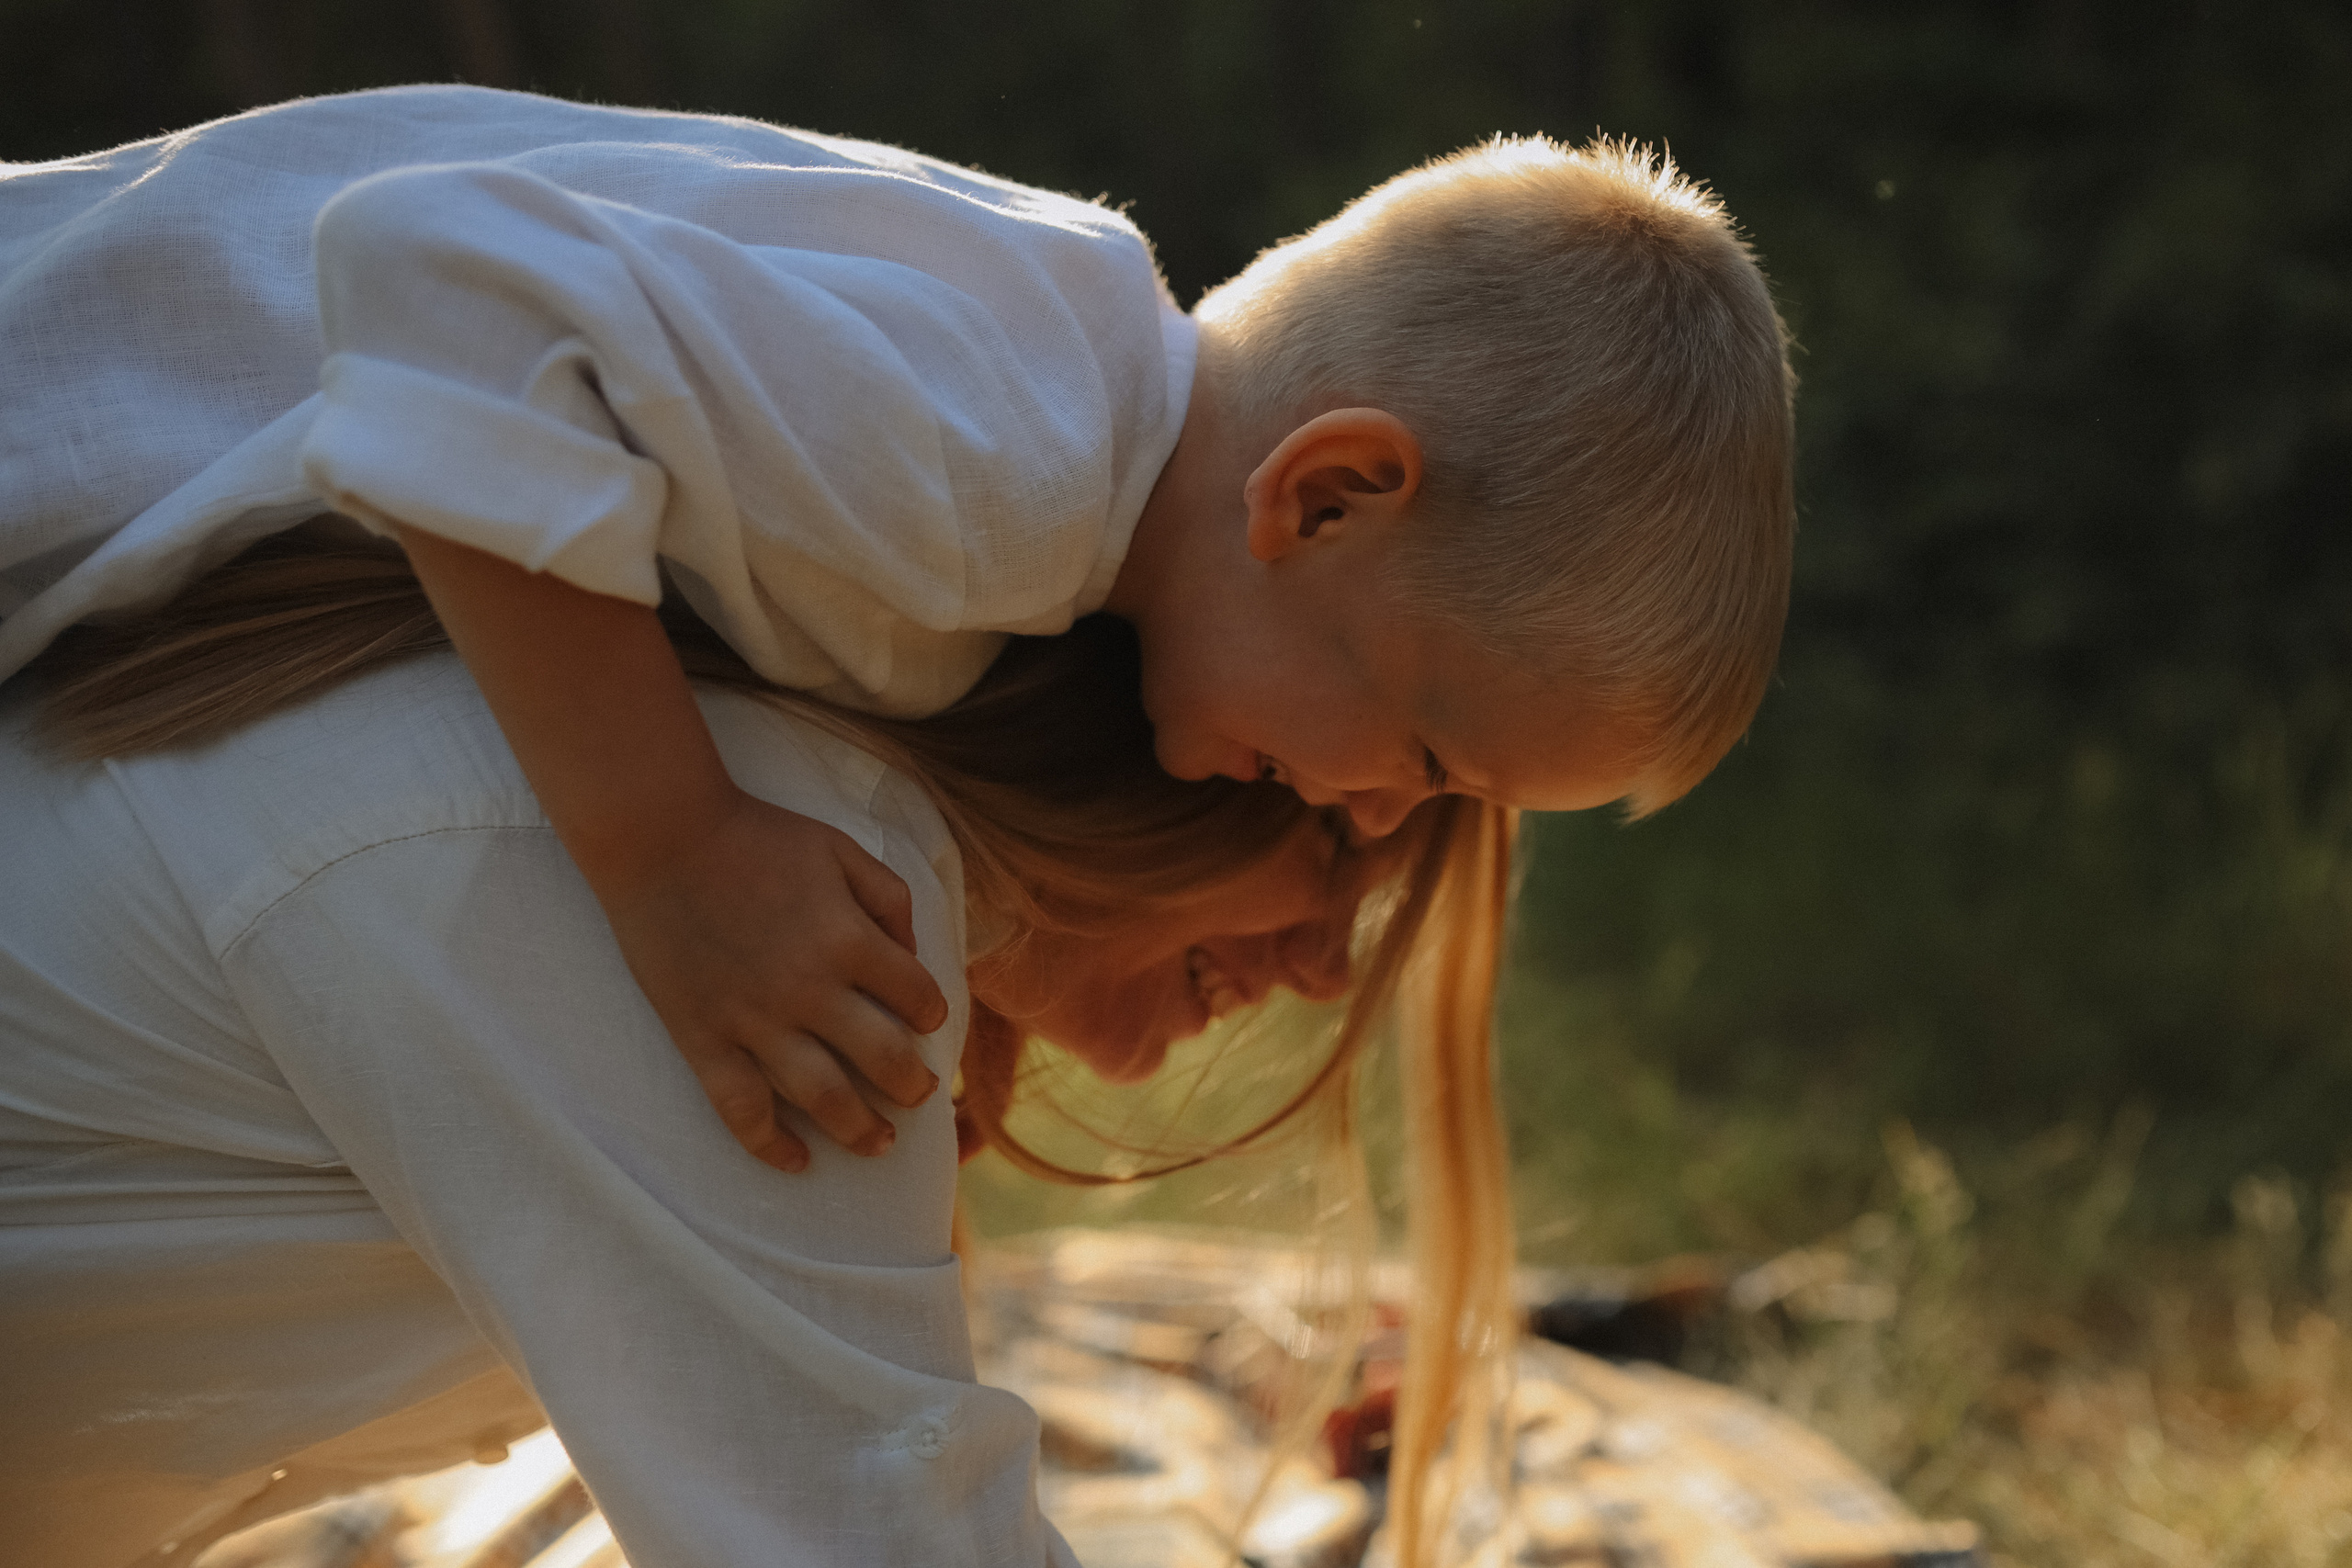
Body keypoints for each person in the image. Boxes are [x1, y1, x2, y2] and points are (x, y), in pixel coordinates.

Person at [0, 85, 1795, 1188]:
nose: (1381, 820)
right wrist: (670, 852)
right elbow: (427, 273)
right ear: (1322, 499)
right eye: (1419, 754)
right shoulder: (996, 450)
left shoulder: (1037, 423)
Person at [3, 547, 1464, 1567]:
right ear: (1156, 715)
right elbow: (861, 1539)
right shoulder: (765, 910)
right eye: (1330, 821)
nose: (1331, 965)